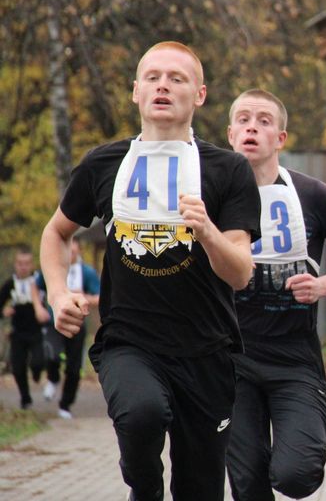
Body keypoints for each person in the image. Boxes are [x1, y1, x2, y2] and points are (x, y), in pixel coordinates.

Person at [39, 41, 261, 501]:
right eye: (153, 77)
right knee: (141, 415)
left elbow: (241, 272)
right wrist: (60, 295)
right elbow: (56, 234)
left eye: (177, 78)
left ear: (199, 94)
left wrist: (208, 233)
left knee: (199, 490)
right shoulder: (104, 163)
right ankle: (143, 489)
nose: (163, 85)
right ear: (135, 91)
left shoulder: (228, 169)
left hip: (207, 351)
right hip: (130, 343)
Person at [224, 89, 326, 500]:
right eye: (244, 119)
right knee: (248, 481)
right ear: (231, 133)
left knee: (296, 474)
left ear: (281, 138)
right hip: (231, 358)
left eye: (264, 121)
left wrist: (324, 285)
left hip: (295, 358)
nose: (252, 126)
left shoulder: (312, 194)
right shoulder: (210, 197)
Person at [35, 237, 100, 419]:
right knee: (52, 354)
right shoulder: (53, 267)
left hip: (77, 324)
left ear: (78, 251)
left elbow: (99, 296)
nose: (69, 254)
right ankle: (53, 378)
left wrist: (83, 296)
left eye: (73, 251)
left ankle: (65, 404)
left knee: (74, 368)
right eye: (67, 250)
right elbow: (36, 285)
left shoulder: (86, 272)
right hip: (54, 321)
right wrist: (38, 307)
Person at [0, 246, 50, 409]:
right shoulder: (10, 284)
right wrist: (4, 311)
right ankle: (25, 398)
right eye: (20, 263)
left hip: (37, 331)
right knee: (18, 367)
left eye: (26, 263)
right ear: (16, 264)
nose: (23, 267)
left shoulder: (39, 281)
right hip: (18, 332)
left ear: (31, 264)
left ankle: (36, 373)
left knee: (38, 361)